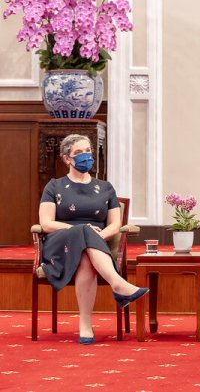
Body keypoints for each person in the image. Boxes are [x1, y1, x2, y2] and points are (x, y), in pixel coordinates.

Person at [38, 134, 149, 345]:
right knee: (83, 232)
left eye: (87, 151)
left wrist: (95, 235)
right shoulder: (54, 187)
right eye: (78, 153)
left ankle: (85, 324)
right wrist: (81, 230)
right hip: (61, 244)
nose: (85, 156)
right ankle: (118, 284)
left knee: (87, 256)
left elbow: (115, 224)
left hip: (96, 245)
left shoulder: (106, 188)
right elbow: (46, 223)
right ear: (66, 159)